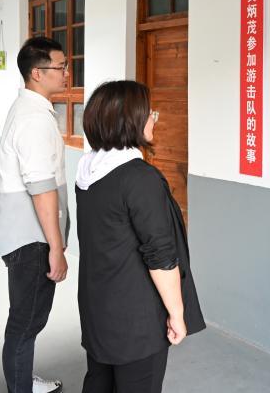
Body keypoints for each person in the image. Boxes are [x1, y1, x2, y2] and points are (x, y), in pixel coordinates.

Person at [75, 80, 205, 393]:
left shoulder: (88, 171)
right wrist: (177, 313)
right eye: (149, 113)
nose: (153, 119)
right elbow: (160, 256)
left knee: (100, 382)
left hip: (98, 305)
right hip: (136, 318)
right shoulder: (140, 179)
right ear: (129, 120)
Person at [0, 36, 71, 393]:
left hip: (27, 236)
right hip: (33, 240)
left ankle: (23, 380)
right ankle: (21, 387)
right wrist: (55, 247)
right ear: (37, 73)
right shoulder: (34, 118)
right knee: (25, 323)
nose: (67, 73)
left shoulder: (30, 109)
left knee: (26, 319)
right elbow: (41, 189)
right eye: (61, 67)